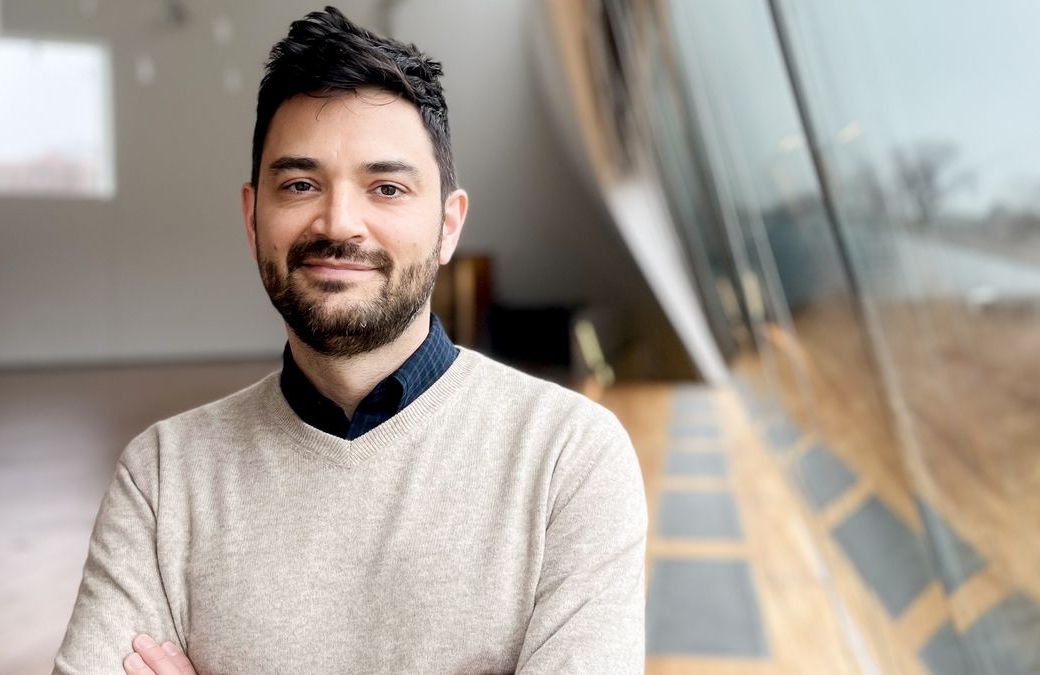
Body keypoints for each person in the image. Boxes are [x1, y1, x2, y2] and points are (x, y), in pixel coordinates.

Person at [52, 7, 647, 674]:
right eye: (301, 184)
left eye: (386, 187)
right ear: (254, 218)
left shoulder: (568, 458)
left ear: (449, 226)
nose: (338, 222)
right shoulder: (163, 476)